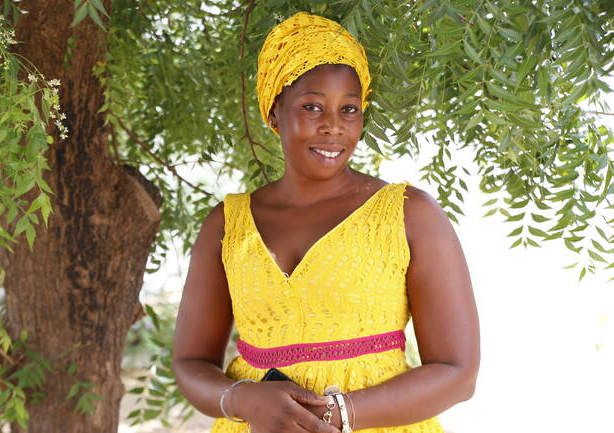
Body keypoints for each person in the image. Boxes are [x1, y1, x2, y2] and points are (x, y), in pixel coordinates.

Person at [172, 11, 480, 433]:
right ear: (275, 111)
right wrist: (241, 398)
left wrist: (336, 414)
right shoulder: (227, 225)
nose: (333, 126)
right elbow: (190, 363)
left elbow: (458, 373)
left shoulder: (409, 214)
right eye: (312, 106)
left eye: (349, 109)